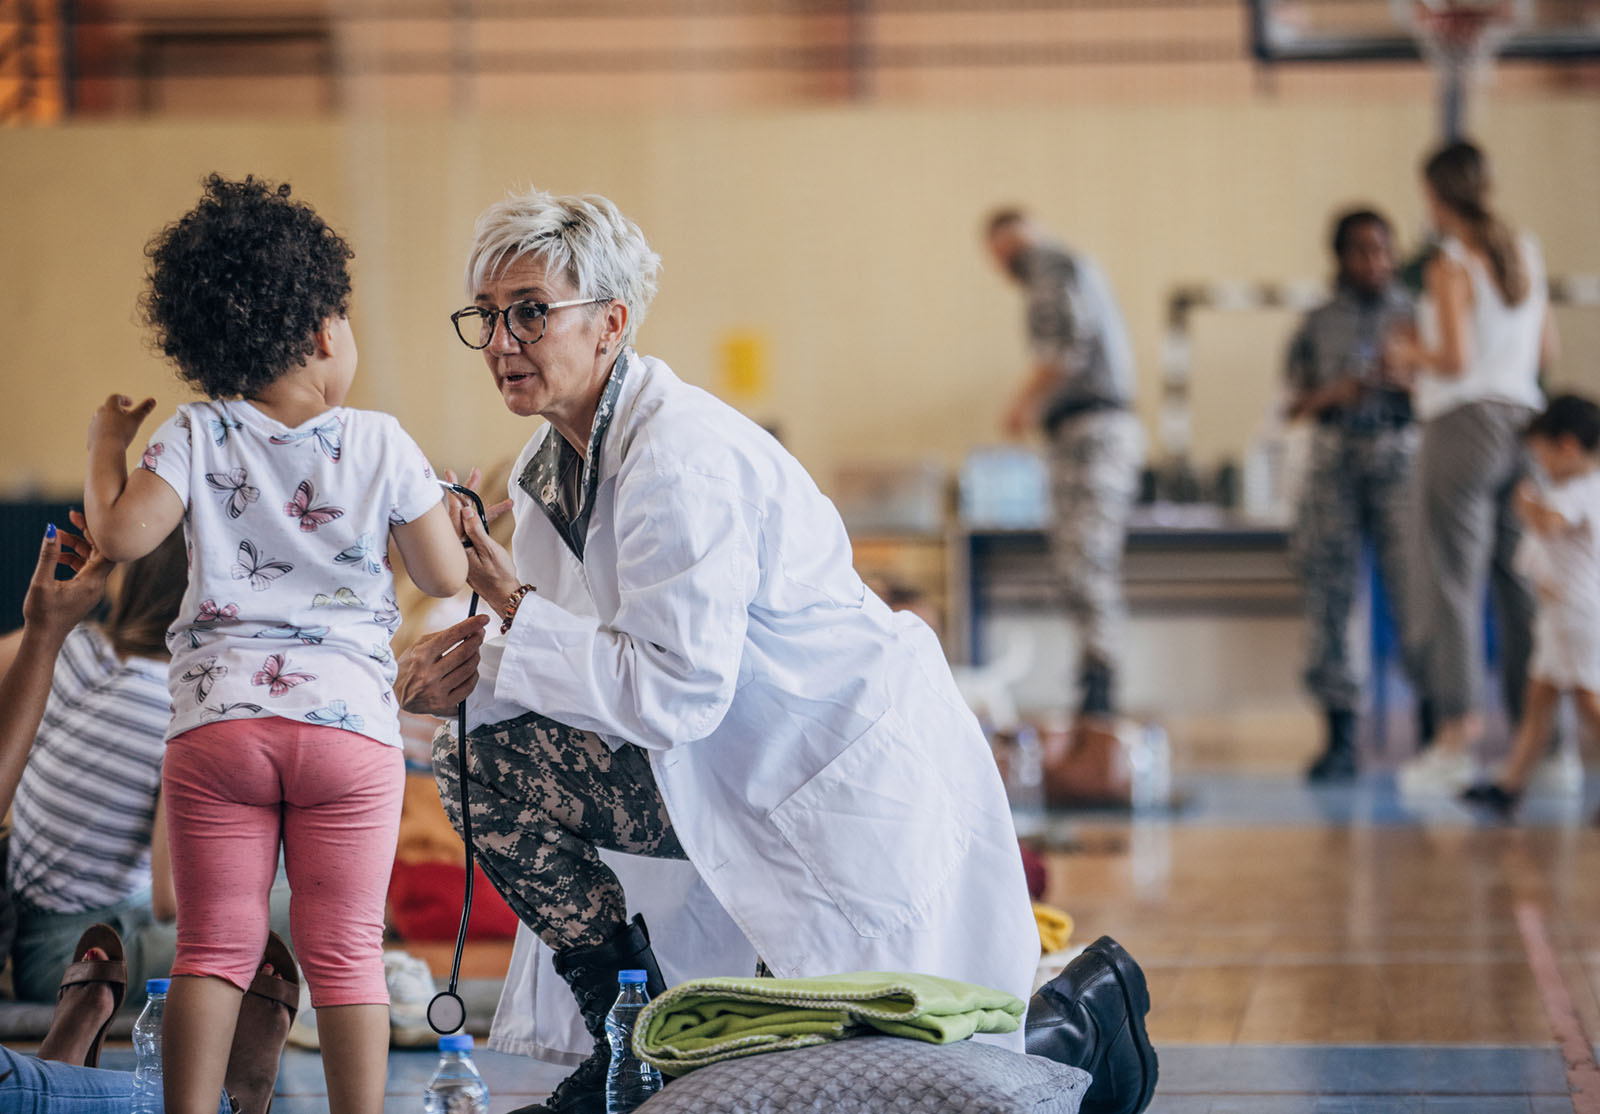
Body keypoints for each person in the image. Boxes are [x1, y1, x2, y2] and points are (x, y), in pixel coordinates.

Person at [391, 188, 1153, 1114]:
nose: (503, 341)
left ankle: (1084, 1022)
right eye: (488, 316)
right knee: (477, 758)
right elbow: (581, 656)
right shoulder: (548, 467)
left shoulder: (681, 460)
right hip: (726, 761)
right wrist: (462, 669)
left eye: (530, 312)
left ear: (610, 323)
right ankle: (628, 1036)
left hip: (823, 771)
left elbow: (673, 690)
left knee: (893, 1061)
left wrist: (508, 607)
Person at [81, 174, 467, 1114]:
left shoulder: (195, 432)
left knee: (215, 944)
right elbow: (445, 578)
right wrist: (446, 516)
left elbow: (121, 539)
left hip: (219, 724)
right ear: (324, 331)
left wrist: (105, 446)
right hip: (348, 731)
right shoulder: (381, 441)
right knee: (344, 952)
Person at [1386, 141, 1557, 793]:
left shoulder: (1451, 263)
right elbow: (1548, 348)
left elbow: (1454, 359)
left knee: (1452, 585)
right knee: (1522, 584)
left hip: (1462, 424)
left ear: (1435, 195)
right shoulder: (1527, 255)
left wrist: (1408, 352)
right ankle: (1547, 747)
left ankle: (1455, 739)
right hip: (1523, 422)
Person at [3, 523, 184, 1008]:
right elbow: (171, 900)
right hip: (79, 960)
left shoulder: (72, 644)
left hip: (25, 937)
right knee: (282, 912)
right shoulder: (179, 709)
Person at [984, 209, 1144, 720]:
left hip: (1091, 432)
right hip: (1093, 431)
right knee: (1082, 563)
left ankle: (1099, 703)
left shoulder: (1046, 265)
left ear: (1002, 245)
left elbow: (1063, 352)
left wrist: (1020, 404)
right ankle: (1096, 689)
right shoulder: (1069, 266)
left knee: (1085, 563)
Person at [1284, 208, 1421, 781]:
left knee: (1416, 593)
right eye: (1363, 250)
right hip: (1336, 458)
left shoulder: (1418, 314)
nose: (1376, 262)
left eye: (1384, 250)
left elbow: (1452, 383)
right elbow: (1291, 405)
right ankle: (1339, 738)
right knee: (1332, 597)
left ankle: (1437, 732)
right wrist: (1337, 390)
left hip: (1401, 456)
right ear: (1341, 257)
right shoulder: (1316, 324)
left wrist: (1410, 379)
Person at [1462, 395, 1600, 818]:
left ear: (1568, 447)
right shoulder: (1570, 489)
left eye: (1541, 454)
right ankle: (1511, 784)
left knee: (1589, 703)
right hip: (1557, 619)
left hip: (1578, 614)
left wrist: (1527, 506)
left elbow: (1552, 525)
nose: (1538, 464)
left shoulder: (1580, 491)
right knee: (1538, 701)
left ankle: (1512, 783)